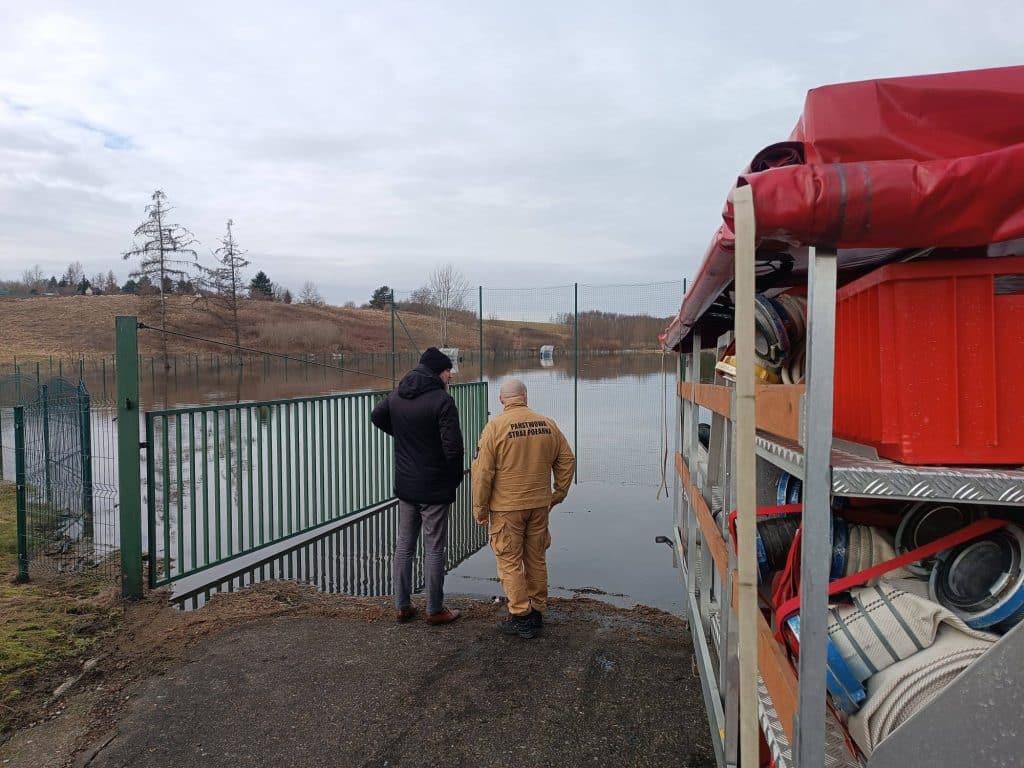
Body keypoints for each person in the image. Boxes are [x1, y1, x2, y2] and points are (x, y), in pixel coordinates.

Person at [472, 378, 575, 639]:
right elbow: (566, 460)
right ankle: (537, 608)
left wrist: (480, 509)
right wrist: (558, 493)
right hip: (539, 504)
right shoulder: (547, 424)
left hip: (507, 508)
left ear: (501, 400)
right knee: (536, 558)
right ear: (525, 397)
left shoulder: (495, 427)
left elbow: (483, 473)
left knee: (509, 561)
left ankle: (522, 616)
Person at [371, 347, 464, 625]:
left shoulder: (398, 394)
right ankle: (434, 609)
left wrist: (402, 433)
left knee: (404, 545)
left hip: (406, 484)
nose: (450, 376)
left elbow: (377, 416)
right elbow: (454, 449)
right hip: (434, 486)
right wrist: (455, 479)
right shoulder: (442, 401)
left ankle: (402, 606)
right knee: (434, 548)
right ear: (437, 371)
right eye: (448, 371)